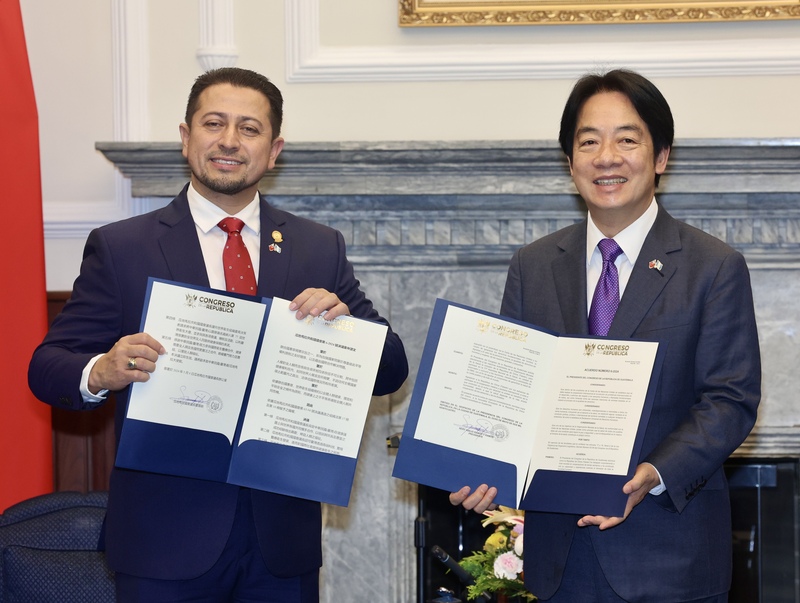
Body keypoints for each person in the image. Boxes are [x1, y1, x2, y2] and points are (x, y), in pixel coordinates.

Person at [28, 67, 408, 603]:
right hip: (163, 544)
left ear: (274, 151)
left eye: (249, 129)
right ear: (186, 138)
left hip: (281, 547)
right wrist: (101, 371)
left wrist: (347, 327)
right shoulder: (122, 247)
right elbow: (47, 367)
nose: (230, 140)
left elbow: (391, 370)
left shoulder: (317, 247)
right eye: (214, 123)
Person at [450, 69, 761, 602]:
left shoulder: (712, 267)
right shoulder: (533, 265)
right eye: (589, 142)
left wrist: (654, 473)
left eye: (627, 140)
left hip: (669, 558)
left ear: (661, 157)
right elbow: (511, 396)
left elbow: (730, 400)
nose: (607, 157)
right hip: (558, 561)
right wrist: (482, 465)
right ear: (570, 162)